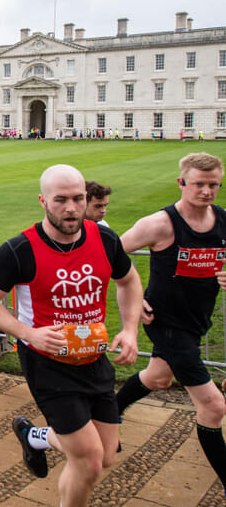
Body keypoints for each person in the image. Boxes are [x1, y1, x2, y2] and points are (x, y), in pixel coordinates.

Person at [0, 164, 142, 507]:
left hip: (93, 358)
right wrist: (28, 334)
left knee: (107, 454)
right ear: (43, 201)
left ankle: (34, 436)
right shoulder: (20, 249)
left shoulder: (105, 238)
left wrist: (129, 329)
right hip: (47, 362)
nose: (71, 208)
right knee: (89, 460)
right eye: (60, 200)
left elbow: (129, 281)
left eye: (78, 199)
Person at [115, 152, 226, 497]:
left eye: (214, 185)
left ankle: (108, 413)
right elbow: (110, 256)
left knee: (158, 378)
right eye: (199, 184)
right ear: (182, 183)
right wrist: (134, 300)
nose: (207, 192)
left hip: (196, 322)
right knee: (213, 406)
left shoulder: (223, 221)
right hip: (163, 322)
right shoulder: (160, 224)